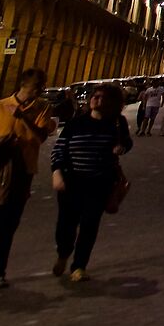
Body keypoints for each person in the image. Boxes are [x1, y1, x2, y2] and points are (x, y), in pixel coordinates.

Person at [0, 69, 57, 288]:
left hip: (22, 172)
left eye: (41, 85)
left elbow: (41, 137)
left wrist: (23, 117)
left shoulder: (42, 108)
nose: (41, 89)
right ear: (25, 85)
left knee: (9, 225)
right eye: (38, 85)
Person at [48, 83, 133, 283]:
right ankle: (63, 253)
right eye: (95, 96)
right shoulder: (76, 123)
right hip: (72, 182)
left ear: (112, 103)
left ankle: (79, 266)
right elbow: (59, 149)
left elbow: (127, 142)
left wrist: (121, 147)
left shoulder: (117, 123)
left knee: (89, 225)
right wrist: (57, 173)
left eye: (102, 97)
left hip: (99, 183)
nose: (96, 99)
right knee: (65, 226)